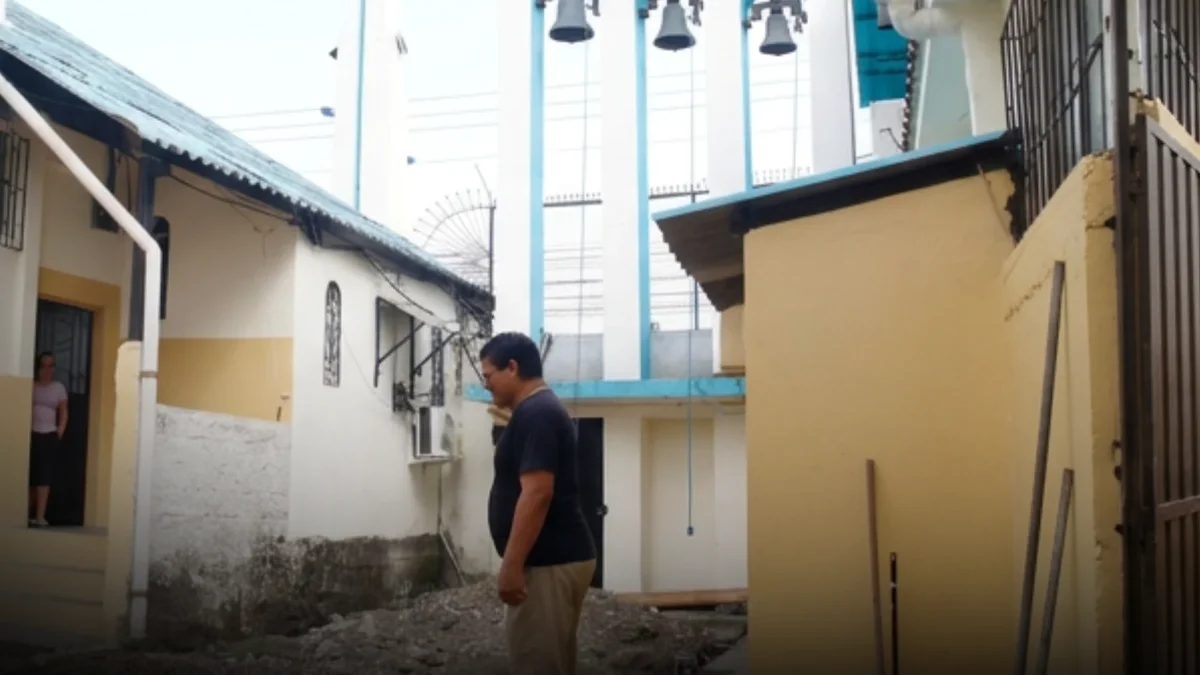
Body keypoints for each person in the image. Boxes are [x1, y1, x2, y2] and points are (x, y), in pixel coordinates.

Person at [480, 332, 597, 675]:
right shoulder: (537, 411)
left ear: (512, 368)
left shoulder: (537, 414)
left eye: (488, 375)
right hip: (556, 559)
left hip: (547, 564)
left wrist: (512, 565)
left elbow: (537, 493)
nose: (486, 384)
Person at [29, 351, 67, 528]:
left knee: (44, 478)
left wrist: (59, 432)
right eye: (44, 365)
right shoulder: (32, 385)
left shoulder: (58, 387)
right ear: (38, 367)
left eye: (51, 365)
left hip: (48, 436)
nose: (47, 369)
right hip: (31, 435)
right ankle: (26, 514)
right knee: (31, 476)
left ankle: (40, 517)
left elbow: (64, 412)